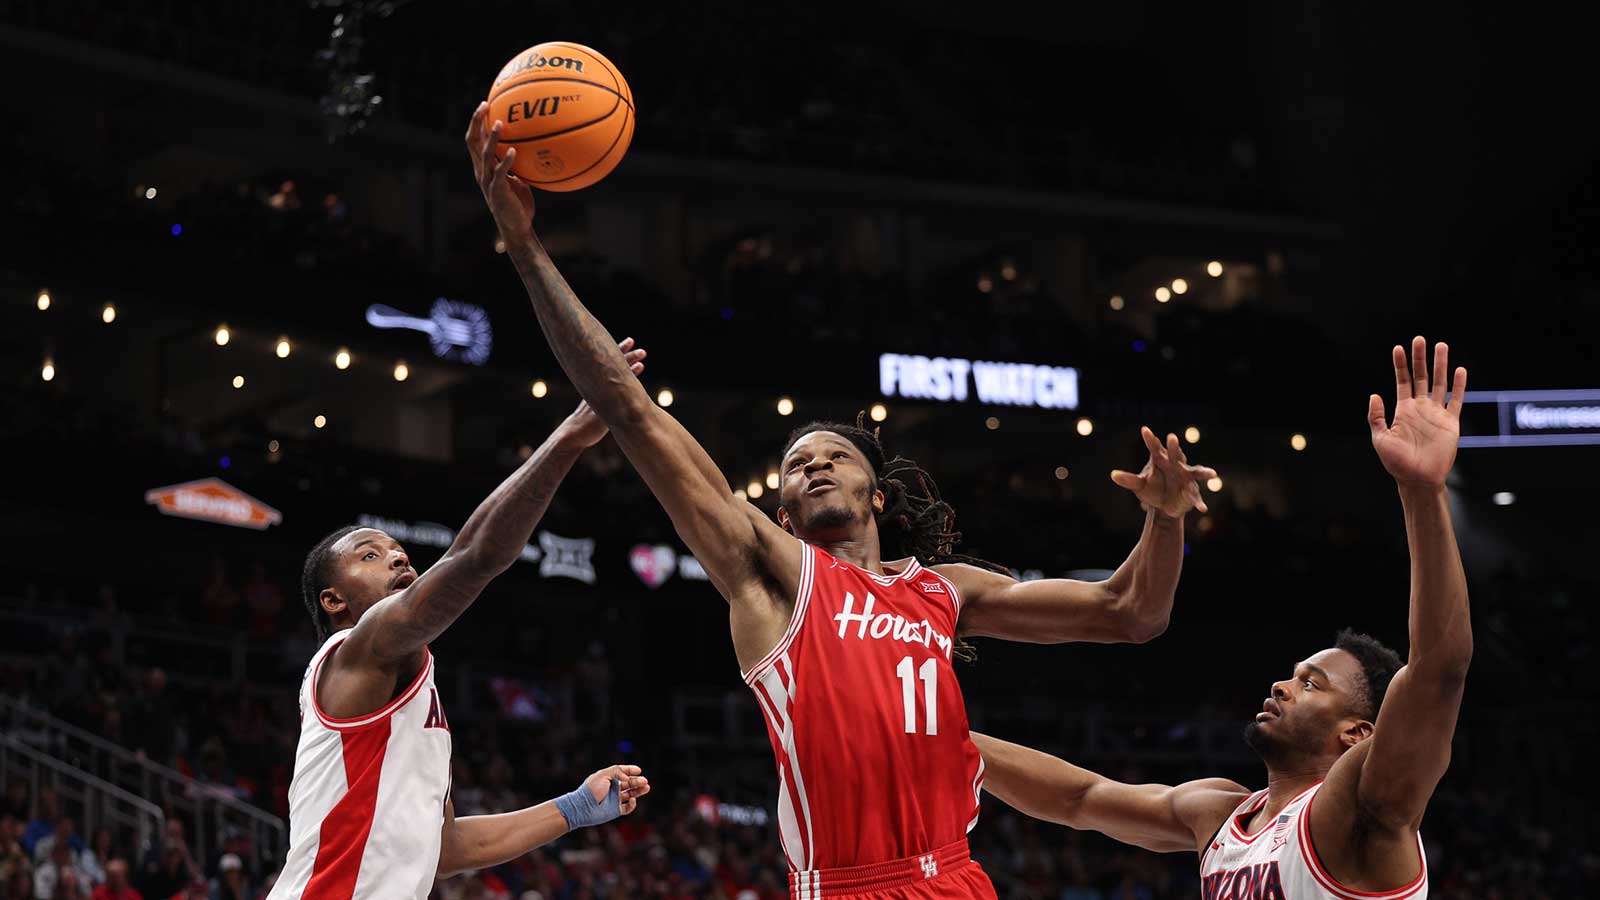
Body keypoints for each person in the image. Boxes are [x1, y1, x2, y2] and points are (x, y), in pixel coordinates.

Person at [466, 103, 1214, 899]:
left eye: (835, 457)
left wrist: (1163, 519)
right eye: (795, 465)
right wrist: (525, 245)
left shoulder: (943, 591)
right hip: (850, 885)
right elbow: (627, 405)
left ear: (877, 495)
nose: (814, 466)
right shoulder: (770, 574)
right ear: (780, 512)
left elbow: (1130, 613)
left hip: (957, 882)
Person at [973, 338, 1473, 900]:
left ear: (1357, 734)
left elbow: (1438, 670)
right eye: (1294, 673)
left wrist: (1421, 491)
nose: (1283, 684)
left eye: (1312, 683)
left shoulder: (1361, 806)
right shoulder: (1220, 813)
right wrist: (945, 737)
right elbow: (1080, 798)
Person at [266, 373, 652, 900]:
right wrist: (567, 440)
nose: (399, 555)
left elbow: (445, 850)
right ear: (335, 601)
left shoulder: (409, 691)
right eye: (370, 555)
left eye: (399, 549)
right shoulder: (357, 649)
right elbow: (477, 556)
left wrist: (574, 807)